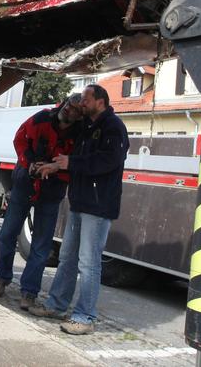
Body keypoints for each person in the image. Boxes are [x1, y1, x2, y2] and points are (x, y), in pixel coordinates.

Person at [30, 83, 129, 335]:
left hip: (98, 205)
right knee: (67, 257)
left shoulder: (113, 127)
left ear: (100, 102)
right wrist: (57, 165)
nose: (82, 104)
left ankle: (85, 317)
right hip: (80, 201)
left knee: (89, 262)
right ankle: (56, 305)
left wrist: (70, 162)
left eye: (86, 100)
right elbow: (67, 144)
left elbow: (109, 160)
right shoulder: (86, 126)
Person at [0, 94, 83, 310]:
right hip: (25, 183)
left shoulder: (79, 135)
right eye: (68, 105)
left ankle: (29, 292)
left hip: (52, 189)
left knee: (41, 245)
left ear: (80, 117)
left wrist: (57, 168)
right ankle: (2, 278)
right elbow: (20, 139)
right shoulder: (41, 118)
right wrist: (29, 164)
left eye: (75, 110)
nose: (68, 110)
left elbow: (77, 164)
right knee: (7, 235)